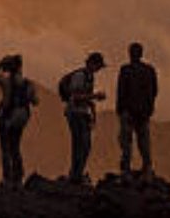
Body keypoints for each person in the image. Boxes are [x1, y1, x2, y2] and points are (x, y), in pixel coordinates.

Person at [0, 54, 37, 188]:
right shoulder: (28, 84)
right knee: (15, 147)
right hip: (21, 118)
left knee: (5, 148)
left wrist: (1, 61)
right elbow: (35, 102)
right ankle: (18, 178)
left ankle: (7, 179)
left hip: (6, 118)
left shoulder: (6, 82)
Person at [60, 51, 106, 184]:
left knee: (83, 145)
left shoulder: (90, 76)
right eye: (98, 65)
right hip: (75, 113)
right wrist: (95, 96)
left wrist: (93, 113)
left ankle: (76, 173)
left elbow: (85, 98)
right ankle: (75, 175)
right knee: (81, 144)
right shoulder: (80, 76)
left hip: (82, 113)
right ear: (92, 63)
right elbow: (75, 97)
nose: (98, 69)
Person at [116, 41, 158, 177]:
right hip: (144, 112)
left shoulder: (125, 70)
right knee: (144, 141)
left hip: (128, 111)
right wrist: (149, 107)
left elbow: (121, 91)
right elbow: (155, 90)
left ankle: (126, 168)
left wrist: (120, 109)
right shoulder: (149, 70)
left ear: (130, 54)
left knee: (126, 141)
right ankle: (147, 167)